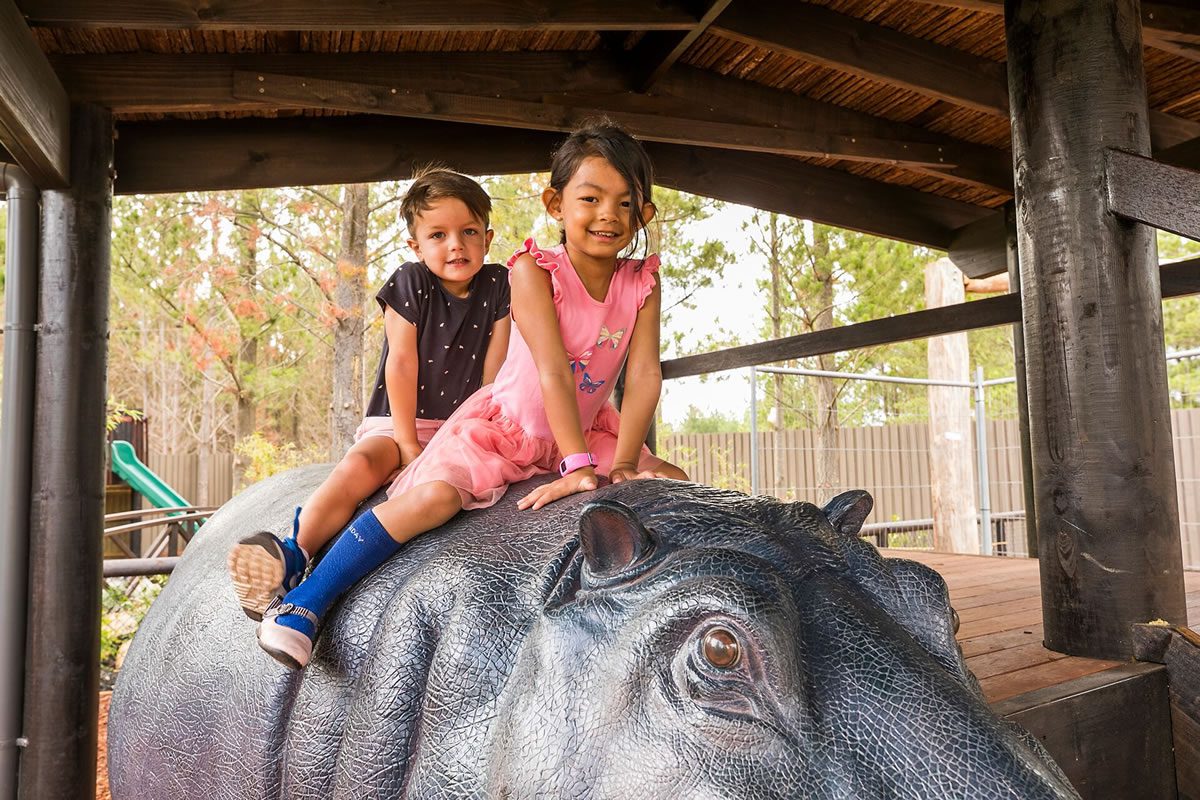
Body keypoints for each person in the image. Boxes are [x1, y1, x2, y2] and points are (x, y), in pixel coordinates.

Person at [255, 121, 688, 669]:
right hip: (510, 427)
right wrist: (580, 466)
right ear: (556, 204)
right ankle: (305, 602)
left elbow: (645, 372)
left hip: (583, 430)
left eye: (625, 203)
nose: (608, 214)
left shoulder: (641, 281)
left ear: (643, 214)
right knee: (434, 499)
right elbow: (552, 371)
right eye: (591, 198)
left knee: (672, 483)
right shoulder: (534, 272)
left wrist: (625, 460)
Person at [227, 168, 511, 620]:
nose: (456, 244)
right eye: (438, 234)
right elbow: (401, 363)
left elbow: (496, 373)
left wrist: (479, 431)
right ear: (416, 247)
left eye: (469, 231)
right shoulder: (411, 282)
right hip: (402, 419)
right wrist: (406, 443)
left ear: (488, 237)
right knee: (361, 464)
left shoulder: (500, 284)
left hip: (464, 428)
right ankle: (293, 552)